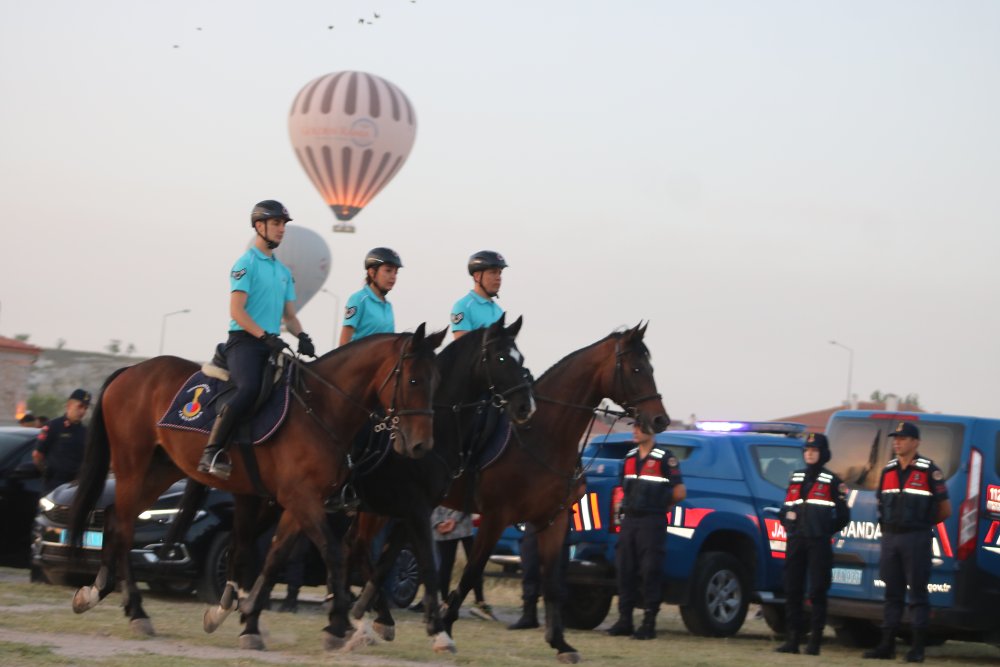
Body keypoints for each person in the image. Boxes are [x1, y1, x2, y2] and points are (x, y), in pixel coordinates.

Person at [198, 200, 316, 480]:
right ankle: (211, 451)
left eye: (283, 224)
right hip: (244, 342)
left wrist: (303, 336)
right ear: (259, 226)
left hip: (271, 342)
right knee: (249, 388)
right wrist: (264, 335)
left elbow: (290, 316)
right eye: (276, 223)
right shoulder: (245, 264)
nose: (281, 229)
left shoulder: (284, 272)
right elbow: (236, 312)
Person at [863, 421, 951, 663]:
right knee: (892, 594)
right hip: (891, 538)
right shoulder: (888, 470)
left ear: (915, 442)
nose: (897, 442)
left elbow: (945, 509)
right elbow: (881, 503)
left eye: (902, 438)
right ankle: (887, 645)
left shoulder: (928, 470)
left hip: (916, 537)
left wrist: (922, 525)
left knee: (918, 595)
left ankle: (918, 648)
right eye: (895, 438)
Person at [606, 422, 686, 640]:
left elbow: (679, 492)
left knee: (650, 570)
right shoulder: (630, 457)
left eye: (640, 427)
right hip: (630, 520)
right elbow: (623, 488)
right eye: (634, 426)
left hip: (652, 520)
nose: (635, 430)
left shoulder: (664, 458)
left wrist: (660, 504)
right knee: (625, 569)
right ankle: (625, 620)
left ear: (652, 431)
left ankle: (649, 622)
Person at [774, 433, 850, 655]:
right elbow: (785, 508)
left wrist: (825, 530)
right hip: (796, 541)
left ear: (823, 454)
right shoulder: (796, 478)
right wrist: (789, 526)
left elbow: (844, 516)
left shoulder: (832, 481)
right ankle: (792, 640)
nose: (809, 453)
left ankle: (814, 642)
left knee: (817, 591)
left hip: (818, 543)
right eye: (807, 450)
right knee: (792, 589)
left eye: (814, 450)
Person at [432, 507, 497, 621]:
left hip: (448, 524)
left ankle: (445, 603)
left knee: (448, 565)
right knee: (473, 564)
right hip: (455, 525)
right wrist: (443, 522)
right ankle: (479, 603)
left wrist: (438, 522)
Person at [339, 247, 401, 346]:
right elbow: (343, 342)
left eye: (396, 272)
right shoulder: (359, 299)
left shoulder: (388, 305)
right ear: (372, 272)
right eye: (388, 270)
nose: (393, 276)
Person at [32, 389, 90, 494]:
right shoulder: (53, 426)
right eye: (80, 406)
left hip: (76, 487)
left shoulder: (85, 432)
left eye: (85, 408)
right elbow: (37, 455)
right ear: (69, 405)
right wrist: (47, 474)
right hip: (53, 487)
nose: (83, 411)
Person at [450, 250, 506, 339]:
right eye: (493, 272)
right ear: (477, 276)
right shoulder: (463, 306)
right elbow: (462, 348)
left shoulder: (498, 310)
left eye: (499, 273)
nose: (498, 278)